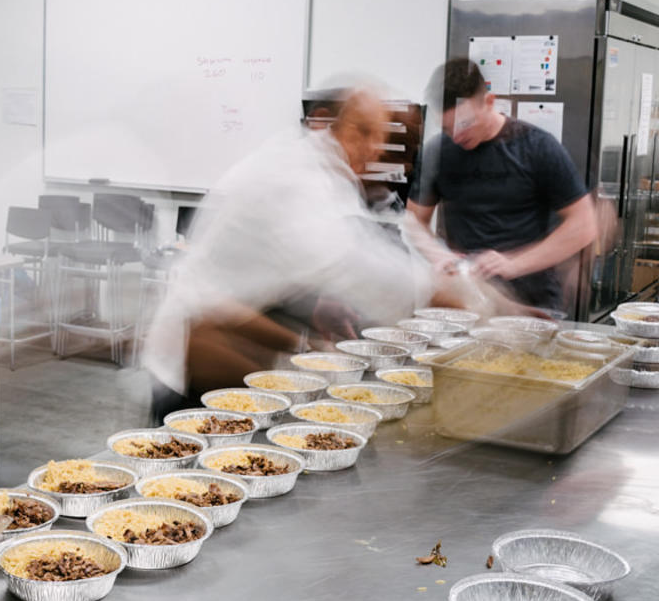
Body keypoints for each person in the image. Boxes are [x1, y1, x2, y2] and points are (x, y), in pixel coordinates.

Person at [142, 86, 447, 420]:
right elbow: (351, 264)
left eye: (379, 135)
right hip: (193, 354)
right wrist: (444, 292)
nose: (374, 148)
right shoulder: (296, 179)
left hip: (231, 339)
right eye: (363, 132)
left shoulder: (325, 172)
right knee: (197, 455)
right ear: (327, 123)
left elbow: (289, 259)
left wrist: (315, 305)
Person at [408, 58, 598, 313]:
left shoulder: (538, 147)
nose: (456, 136)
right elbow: (413, 221)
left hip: (530, 303)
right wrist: (437, 254)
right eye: (446, 128)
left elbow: (584, 225)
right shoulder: (437, 152)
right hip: (466, 302)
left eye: (464, 124)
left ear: (489, 102)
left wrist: (513, 264)